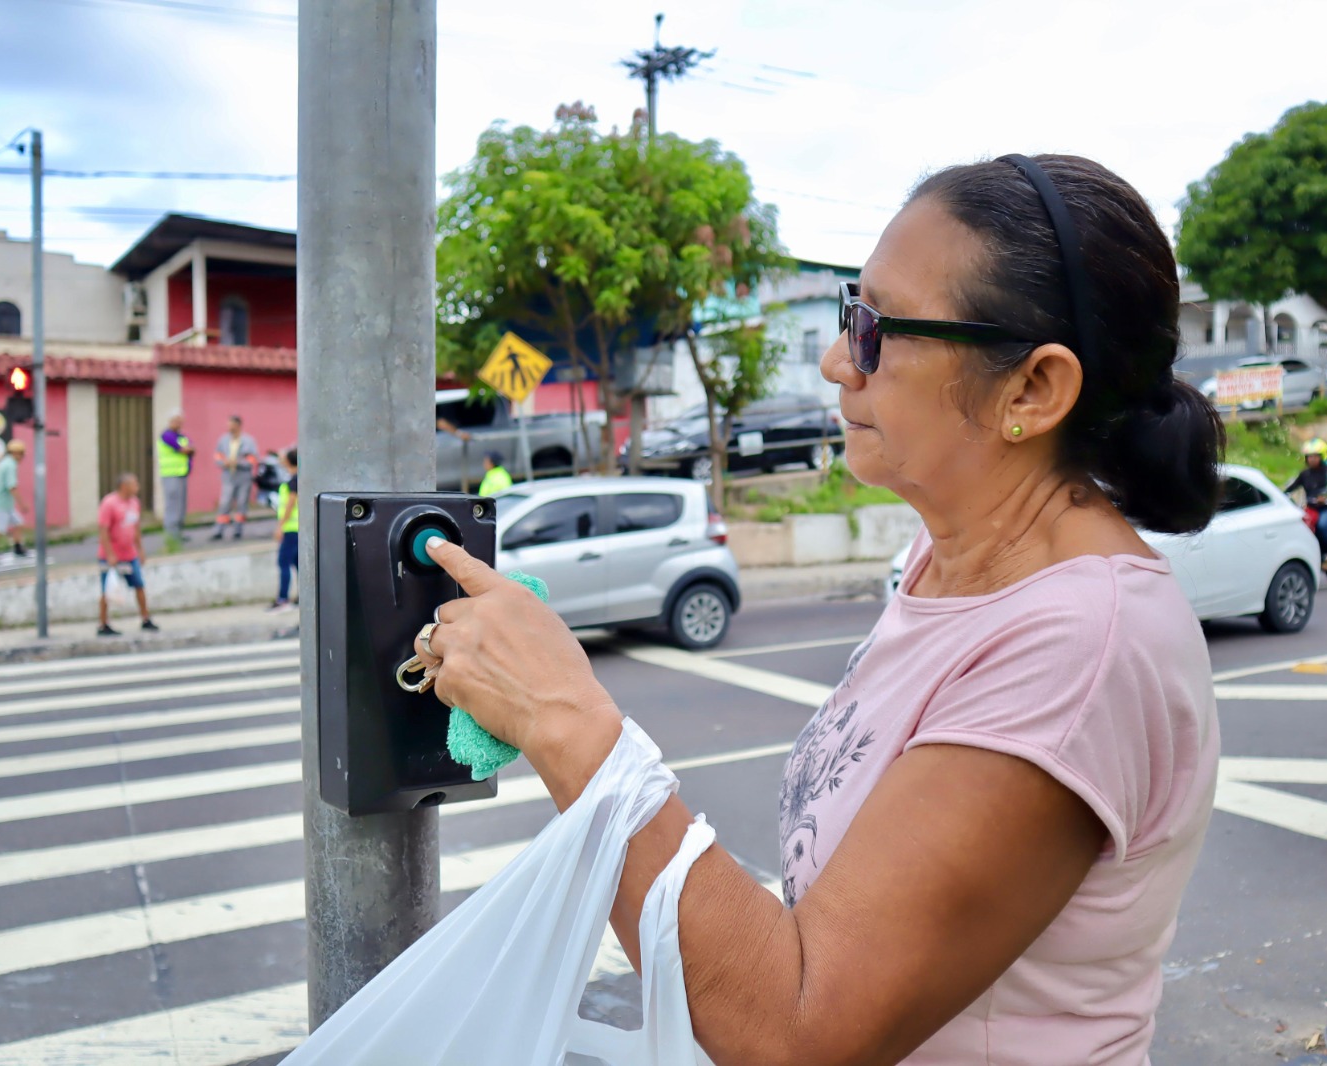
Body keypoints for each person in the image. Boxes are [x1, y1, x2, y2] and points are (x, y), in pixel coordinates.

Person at [410, 155, 1225, 1064]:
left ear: (1033, 390)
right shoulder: (941, 563)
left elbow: (797, 1029)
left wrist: (562, 717)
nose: (841, 361)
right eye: (851, 311)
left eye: (877, 330)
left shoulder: (1081, 643)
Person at [96, 472, 158, 636]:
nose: (137, 487)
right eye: (134, 483)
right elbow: (103, 530)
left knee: (139, 585)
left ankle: (145, 618)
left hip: (129, 554)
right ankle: (103, 624)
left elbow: (135, 528)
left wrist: (140, 550)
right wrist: (109, 554)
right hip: (111, 555)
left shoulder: (134, 503)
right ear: (124, 486)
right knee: (106, 590)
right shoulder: (109, 504)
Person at [1285, 437, 1327, 570]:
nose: (1312, 459)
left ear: (1322, 457)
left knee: (1322, 526)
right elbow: (1290, 486)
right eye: (1309, 456)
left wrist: (1325, 496)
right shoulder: (1305, 474)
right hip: (1311, 508)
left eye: (1315, 456)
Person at [211, 415, 258, 540]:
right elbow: (217, 455)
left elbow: (253, 458)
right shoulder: (223, 440)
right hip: (228, 475)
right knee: (225, 502)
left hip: (243, 475)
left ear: (238, 425)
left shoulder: (248, 440)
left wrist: (239, 462)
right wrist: (224, 462)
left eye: (232, 424)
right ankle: (219, 530)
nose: (229, 427)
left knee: (242, 503)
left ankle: (238, 529)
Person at [0, 439, 28, 562]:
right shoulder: (10, 465)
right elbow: (11, 486)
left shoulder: (5, 463)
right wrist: (22, 504)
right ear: (16, 453)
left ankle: (18, 547)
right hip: (2, 503)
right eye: (21, 453)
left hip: (5, 503)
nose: (23, 456)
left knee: (18, 523)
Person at [268, 448, 299, 612]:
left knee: (283, 562)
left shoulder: (294, 480)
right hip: (295, 528)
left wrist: (280, 526)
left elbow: (290, 504)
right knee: (297, 563)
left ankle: (283, 598)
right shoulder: (296, 478)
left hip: (291, 528)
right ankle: (301, 597)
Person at [157, 410, 195, 542]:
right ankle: (170, 536)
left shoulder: (182, 437)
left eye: (180, 420)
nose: (179, 423)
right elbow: (184, 449)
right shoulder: (166, 435)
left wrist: (189, 450)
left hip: (182, 474)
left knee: (181, 506)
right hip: (170, 474)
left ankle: (178, 533)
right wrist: (188, 450)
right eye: (176, 420)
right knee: (172, 506)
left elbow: (192, 449)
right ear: (171, 421)